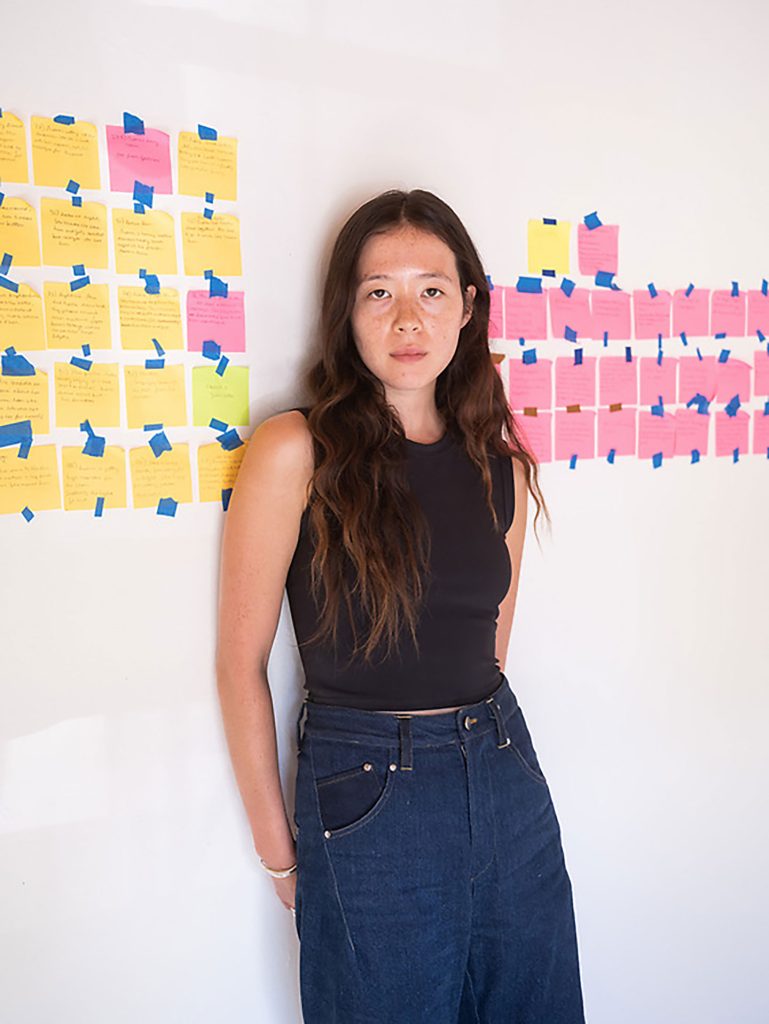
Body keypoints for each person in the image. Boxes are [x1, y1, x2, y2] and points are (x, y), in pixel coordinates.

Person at [216, 189, 586, 1022]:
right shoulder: (294, 451)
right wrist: (280, 855)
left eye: (432, 290)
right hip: (369, 797)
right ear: (345, 312)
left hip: (504, 772)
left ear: (467, 308)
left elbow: (490, 650)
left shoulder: (499, 467)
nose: (407, 318)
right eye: (379, 292)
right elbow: (239, 665)